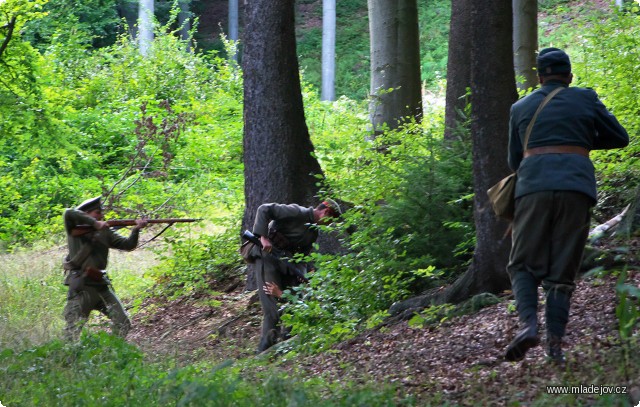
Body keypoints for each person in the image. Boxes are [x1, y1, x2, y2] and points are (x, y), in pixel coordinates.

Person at [504, 48, 629, 365]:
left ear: (539, 77)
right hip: (576, 185)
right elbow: (619, 137)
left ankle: (528, 324)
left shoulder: (520, 107)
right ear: (569, 76)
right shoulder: (585, 98)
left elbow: (513, 160)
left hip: (532, 187)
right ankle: (555, 348)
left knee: (521, 264)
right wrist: (578, 142)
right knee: (562, 271)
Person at [251, 199, 341, 353]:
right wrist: (263, 237)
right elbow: (263, 209)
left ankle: (288, 343)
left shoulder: (313, 232)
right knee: (271, 304)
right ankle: (264, 350)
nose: (329, 225)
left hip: (286, 265)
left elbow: (302, 256)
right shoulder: (297, 211)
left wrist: (301, 274)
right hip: (267, 258)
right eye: (330, 221)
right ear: (326, 213)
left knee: (294, 298)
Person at [62, 196, 148, 340]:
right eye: (97, 212)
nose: (101, 215)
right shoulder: (74, 230)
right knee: (72, 332)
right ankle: (67, 360)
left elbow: (127, 245)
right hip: (81, 287)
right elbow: (68, 212)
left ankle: (108, 351)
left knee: (123, 323)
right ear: (85, 214)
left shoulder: (104, 231)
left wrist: (136, 230)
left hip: (101, 285)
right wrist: (94, 224)